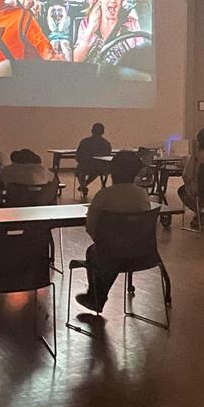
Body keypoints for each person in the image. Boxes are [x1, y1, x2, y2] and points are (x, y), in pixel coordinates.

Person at [75, 151, 152, 313]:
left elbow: (91, 227)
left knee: (96, 253)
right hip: (142, 254)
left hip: (110, 253)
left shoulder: (104, 195)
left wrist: (104, 241)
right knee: (116, 254)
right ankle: (96, 297)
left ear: (112, 171)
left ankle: (95, 296)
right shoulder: (142, 194)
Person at [73, 0, 146, 65]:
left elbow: (141, 55)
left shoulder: (131, 23)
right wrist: (90, 29)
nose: (113, 0)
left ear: (121, 1)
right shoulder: (86, 23)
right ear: (100, 0)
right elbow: (77, 60)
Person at [75, 123, 112, 200]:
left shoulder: (84, 141)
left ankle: (83, 186)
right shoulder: (106, 143)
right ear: (103, 132)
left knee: (80, 172)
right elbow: (107, 157)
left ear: (92, 131)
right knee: (97, 171)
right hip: (100, 167)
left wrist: (81, 161)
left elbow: (78, 155)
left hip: (84, 166)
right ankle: (84, 186)